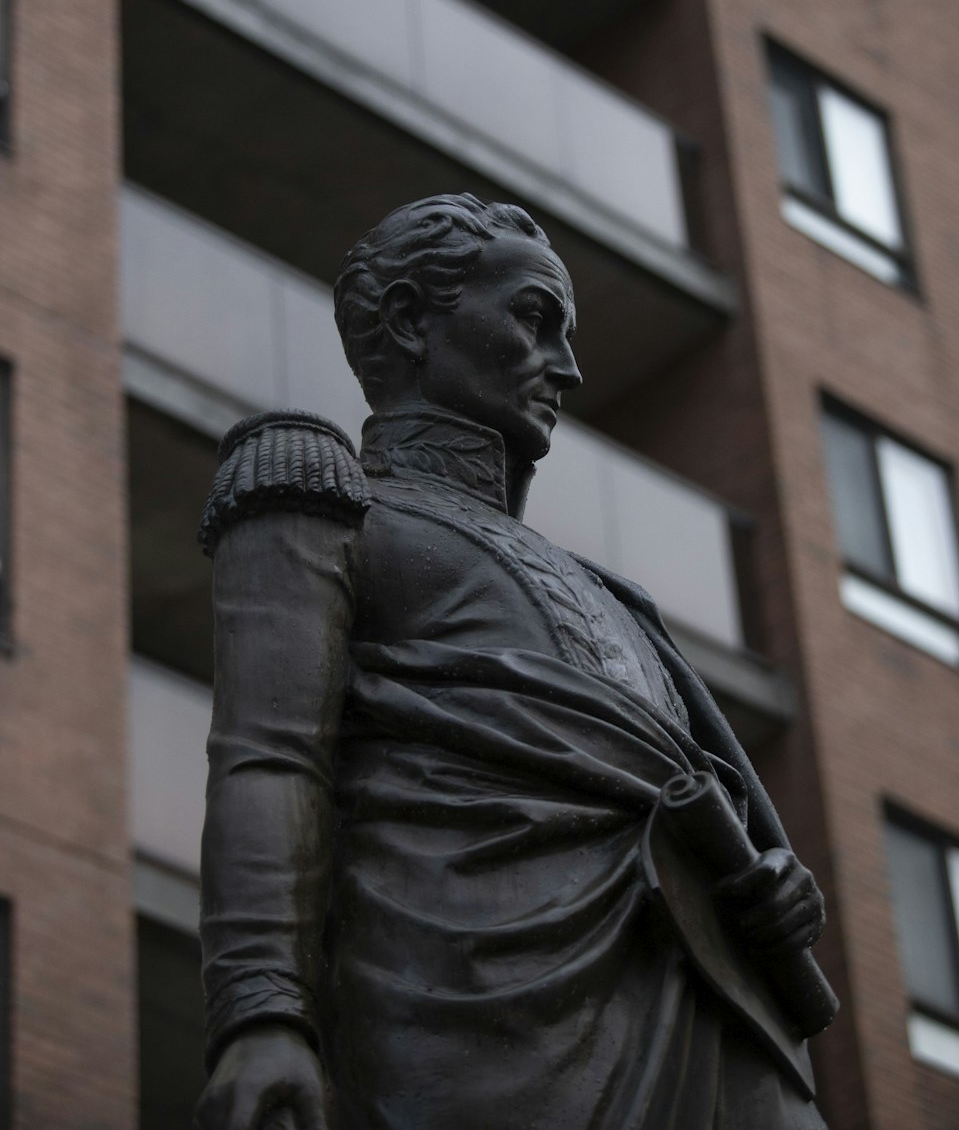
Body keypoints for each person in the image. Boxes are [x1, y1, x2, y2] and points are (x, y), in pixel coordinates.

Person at [194, 194, 833, 1130]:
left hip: (709, 1014)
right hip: (469, 1014)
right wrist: (259, 1012)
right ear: (413, 320)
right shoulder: (326, 498)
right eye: (534, 319)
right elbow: (267, 756)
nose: (567, 368)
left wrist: (778, 882)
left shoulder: (622, 603)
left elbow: (724, 805)